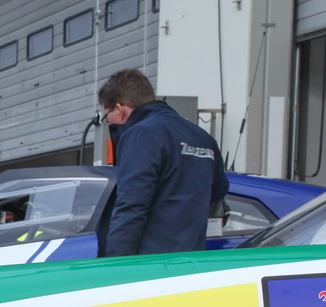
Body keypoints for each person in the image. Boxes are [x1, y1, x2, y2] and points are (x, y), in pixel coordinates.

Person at [97, 68, 228, 256]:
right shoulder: (203, 138)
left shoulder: (142, 134)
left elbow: (132, 205)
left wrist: (117, 263)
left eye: (106, 116)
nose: (109, 122)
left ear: (119, 109)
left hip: (152, 262)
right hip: (191, 258)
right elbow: (218, 191)